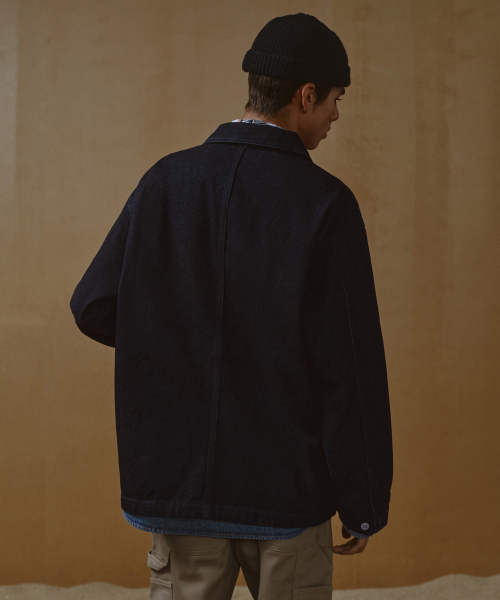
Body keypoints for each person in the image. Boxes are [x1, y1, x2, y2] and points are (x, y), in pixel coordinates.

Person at [70, 12, 393, 600]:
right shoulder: (326, 204)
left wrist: (180, 335)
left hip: (180, 486)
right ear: (306, 95)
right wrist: (363, 502)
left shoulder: (165, 182)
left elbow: (93, 304)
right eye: (335, 100)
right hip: (287, 489)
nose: (336, 116)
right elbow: (350, 368)